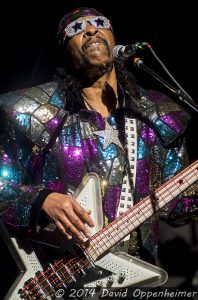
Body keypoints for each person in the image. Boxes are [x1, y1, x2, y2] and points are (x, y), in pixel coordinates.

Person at [0, 6, 197, 299]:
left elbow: (179, 210)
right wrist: (42, 200)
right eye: (76, 28)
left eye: (98, 23)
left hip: (136, 279)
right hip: (58, 278)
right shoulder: (33, 113)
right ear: (64, 51)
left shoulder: (156, 116)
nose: (90, 30)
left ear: (113, 35)